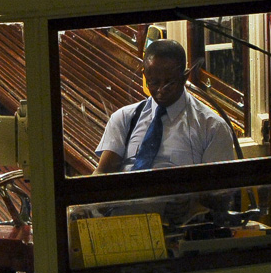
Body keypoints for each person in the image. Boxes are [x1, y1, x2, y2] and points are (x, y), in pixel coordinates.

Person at [94, 38, 236, 174]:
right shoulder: (125, 118)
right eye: (154, 82)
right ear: (145, 76)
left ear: (185, 77)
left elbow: (218, 192)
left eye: (169, 83)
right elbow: (103, 173)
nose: (161, 90)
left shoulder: (211, 128)